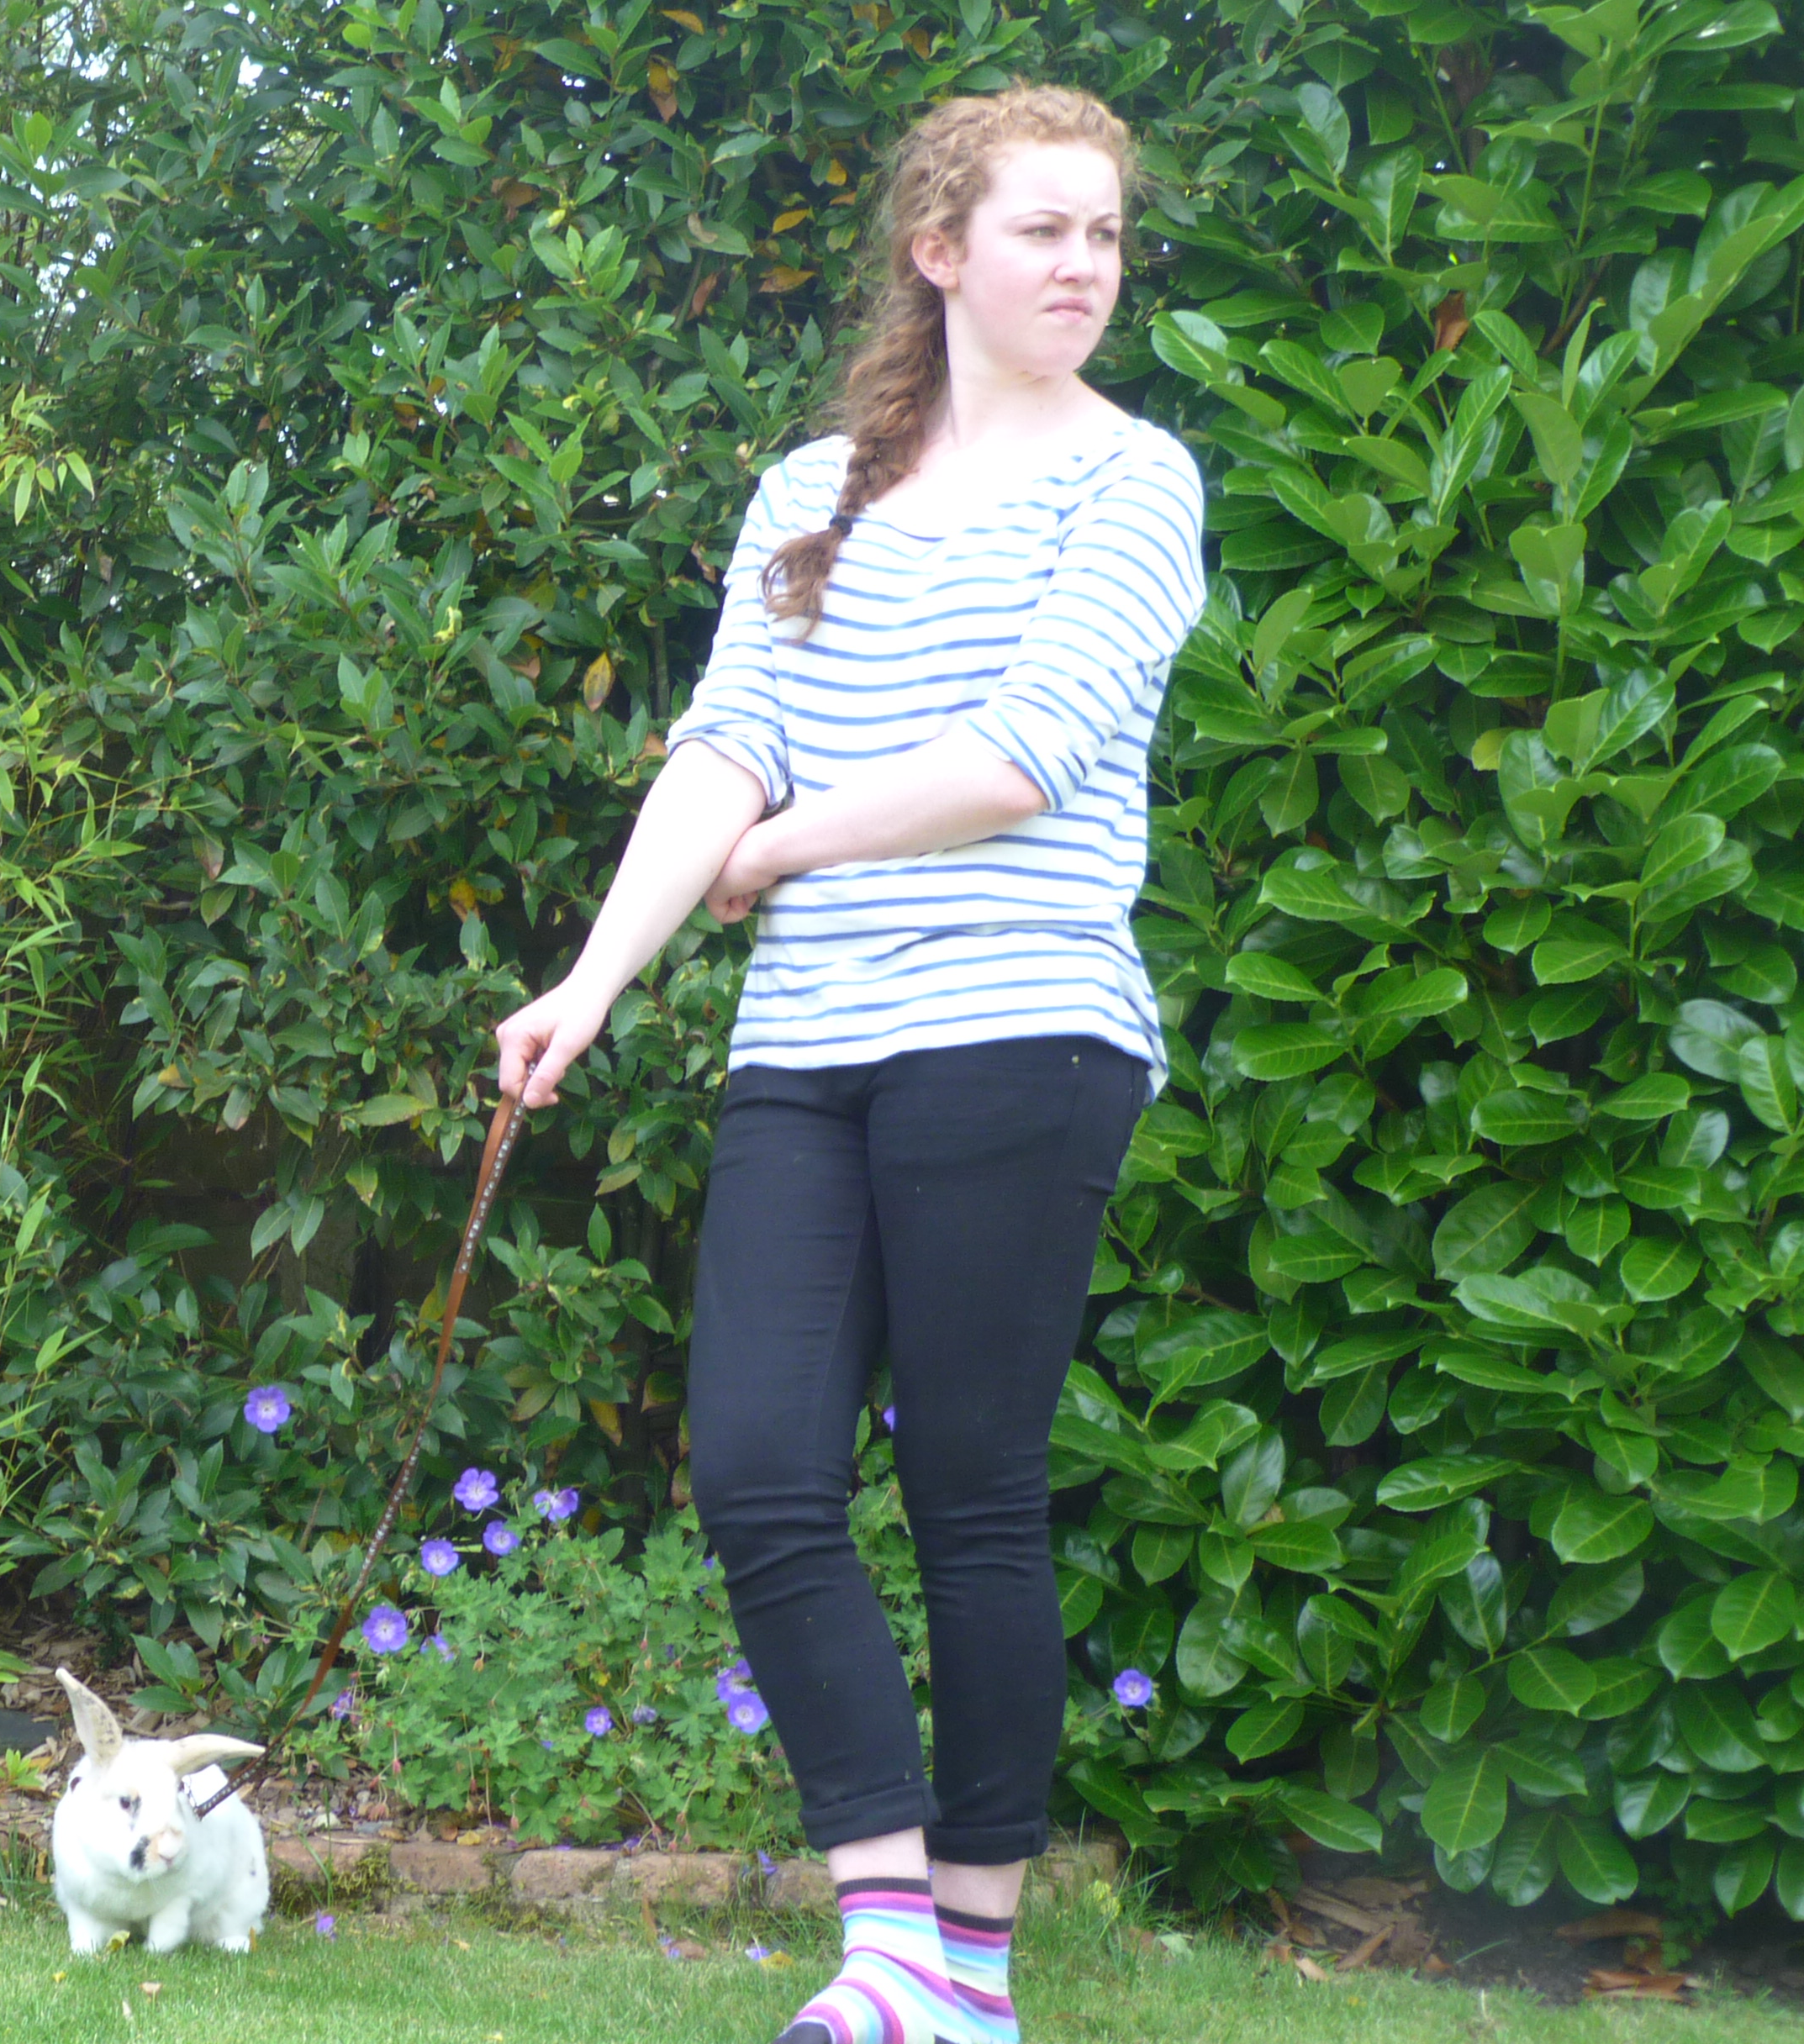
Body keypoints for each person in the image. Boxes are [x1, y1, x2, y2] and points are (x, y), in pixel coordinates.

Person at [491, 84, 1205, 2044]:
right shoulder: (814, 490)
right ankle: (890, 1937)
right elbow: (726, 741)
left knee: (971, 1487)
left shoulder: (1134, 480)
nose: (1083, 266)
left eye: (1107, 234)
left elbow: (1028, 753)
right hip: (809, 1039)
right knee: (760, 1467)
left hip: (1026, 1024)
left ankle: (965, 1971)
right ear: (939, 250)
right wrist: (593, 980)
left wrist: (786, 847)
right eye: (1044, 230)